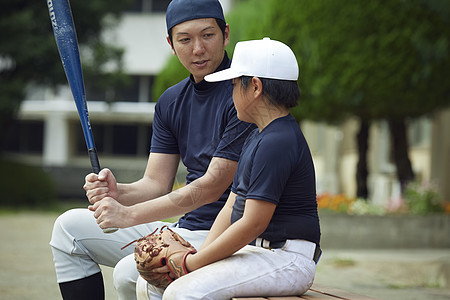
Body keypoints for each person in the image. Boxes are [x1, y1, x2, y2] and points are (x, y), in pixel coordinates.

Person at [49, 0, 255, 299]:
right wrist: (117, 192)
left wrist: (128, 216)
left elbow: (211, 187)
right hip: (185, 227)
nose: (197, 48)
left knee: (129, 272)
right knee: (68, 229)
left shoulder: (244, 93)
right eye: (185, 39)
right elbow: (156, 184)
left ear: (226, 34)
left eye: (207, 35)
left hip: (229, 232)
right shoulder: (171, 102)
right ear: (171, 44)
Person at [147, 38, 321, 299]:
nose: (231, 93)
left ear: (255, 87)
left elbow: (252, 223)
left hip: (288, 259)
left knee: (183, 292)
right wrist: (197, 256)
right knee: (153, 285)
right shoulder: (258, 135)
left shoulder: (278, 140)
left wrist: (191, 264)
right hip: (262, 254)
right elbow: (232, 206)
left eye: (233, 85)